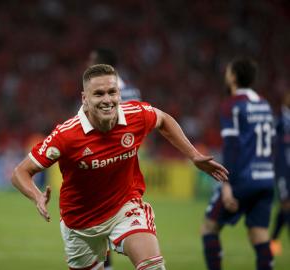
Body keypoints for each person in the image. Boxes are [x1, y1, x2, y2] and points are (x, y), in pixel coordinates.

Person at [12, 64, 228, 270]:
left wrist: (194, 155)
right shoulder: (66, 136)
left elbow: (163, 119)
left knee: (153, 266)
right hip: (80, 223)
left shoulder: (135, 116)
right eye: (98, 94)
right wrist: (36, 196)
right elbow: (20, 172)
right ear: (85, 99)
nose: (107, 100)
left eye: (112, 92)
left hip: (124, 208)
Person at [200, 57, 275, 270]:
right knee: (259, 234)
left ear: (233, 77)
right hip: (266, 179)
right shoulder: (264, 103)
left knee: (209, 227)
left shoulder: (231, 105)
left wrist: (226, 184)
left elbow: (231, 146)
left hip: (243, 179)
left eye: (227, 72)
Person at [88, 47, 141, 270]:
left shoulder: (97, 92)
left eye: (90, 61)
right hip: (126, 164)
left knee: (97, 219)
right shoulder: (134, 92)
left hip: (102, 163)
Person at [270, 92, 290, 256]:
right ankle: (273, 240)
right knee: (286, 204)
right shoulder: (280, 122)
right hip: (283, 171)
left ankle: (273, 239)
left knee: (285, 207)